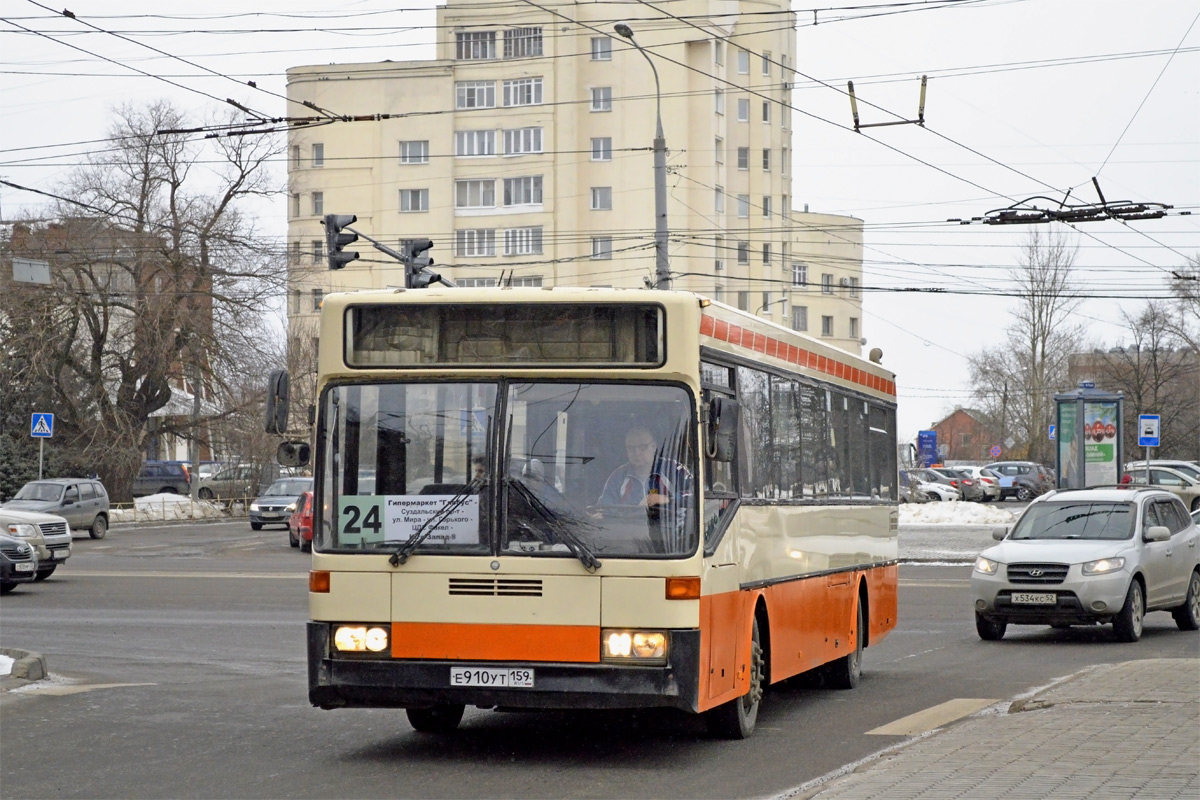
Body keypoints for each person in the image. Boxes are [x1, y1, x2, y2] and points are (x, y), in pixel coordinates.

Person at [597, 425, 692, 509]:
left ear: (654, 447)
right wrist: (599, 515)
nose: (637, 453)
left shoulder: (673, 469)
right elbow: (605, 506)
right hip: (627, 528)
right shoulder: (618, 477)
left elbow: (699, 494)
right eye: (631, 448)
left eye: (642, 447)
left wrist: (667, 499)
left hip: (671, 528)